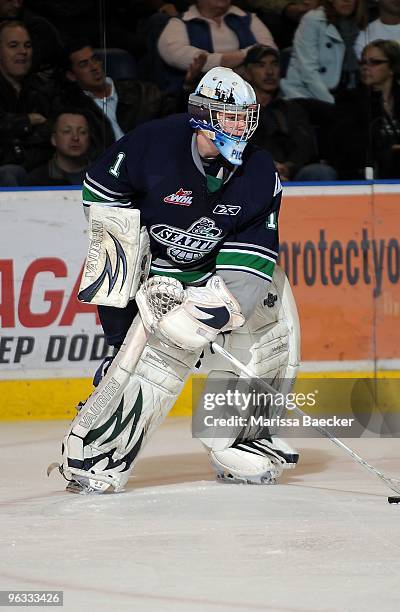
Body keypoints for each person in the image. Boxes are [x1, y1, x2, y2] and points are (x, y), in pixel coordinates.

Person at [55, 66, 300, 494]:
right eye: (230, 116)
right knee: (156, 353)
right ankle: (96, 452)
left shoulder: (260, 171)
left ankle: (241, 438)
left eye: (246, 116)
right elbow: (108, 223)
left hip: (215, 270)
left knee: (272, 326)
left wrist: (217, 309)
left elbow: (256, 253)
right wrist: (125, 319)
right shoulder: (149, 146)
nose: (241, 126)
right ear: (203, 115)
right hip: (155, 271)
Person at [329, 39, 400, 179]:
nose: (365, 67)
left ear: (392, 67)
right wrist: (392, 149)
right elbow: (348, 144)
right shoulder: (349, 100)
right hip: (364, 169)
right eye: (363, 62)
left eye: (374, 62)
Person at [58, 41, 178, 155]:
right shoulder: (73, 109)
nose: (94, 67)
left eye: (95, 59)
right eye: (84, 64)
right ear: (71, 76)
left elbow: (177, 115)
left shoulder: (141, 92)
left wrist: (186, 87)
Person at [244, 44, 337, 181]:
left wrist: (287, 167)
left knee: (321, 172)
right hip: (253, 173)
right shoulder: (239, 111)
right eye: (261, 65)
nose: (269, 72)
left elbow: (306, 146)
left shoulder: (292, 108)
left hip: (290, 173)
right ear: (248, 72)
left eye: (274, 65)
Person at [156, 0, 276, 92]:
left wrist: (217, 61)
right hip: (197, 95)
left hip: (249, 91)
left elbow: (269, 49)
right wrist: (239, 59)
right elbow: (181, 57)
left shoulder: (247, 18)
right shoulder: (180, 22)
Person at [280, 0, 367, 104]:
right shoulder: (313, 20)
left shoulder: (361, 24)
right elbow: (307, 70)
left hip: (347, 92)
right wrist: (330, 103)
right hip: (306, 95)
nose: (346, 1)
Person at [0, 20, 53, 186]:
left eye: (27, 45)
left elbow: (52, 130)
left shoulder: (43, 88)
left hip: (38, 169)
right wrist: (29, 120)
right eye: (13, 45)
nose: (23, 51)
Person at [25, 109, 92, 186]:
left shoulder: (103, 176)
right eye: (67, 131)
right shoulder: (36, 179)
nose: (75, 137)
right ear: (54, 139)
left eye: (82, 132)